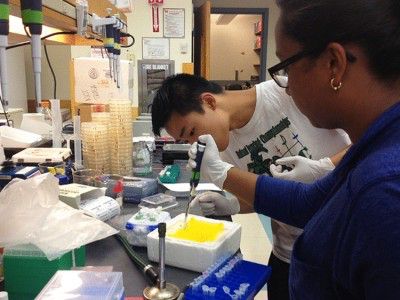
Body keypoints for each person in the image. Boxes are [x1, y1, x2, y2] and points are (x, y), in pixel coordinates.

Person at [188, 0, 400, 298]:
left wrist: (222, 173)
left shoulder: (385, 190)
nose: (286, 87)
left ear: (333, 64)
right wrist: (227, 185)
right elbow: (306, 205)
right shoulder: (372, 148)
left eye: (286, 66)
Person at [152, 73, 350, 299]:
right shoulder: (221, 149)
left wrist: (325, 167)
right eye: (185, 140)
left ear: (209, 101)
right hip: (290, 255)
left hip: (344, 250)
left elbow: (372, 134)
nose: (194, 143)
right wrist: (233, 204)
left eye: (191, 132)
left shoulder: (287, 91)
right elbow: (264, 194)